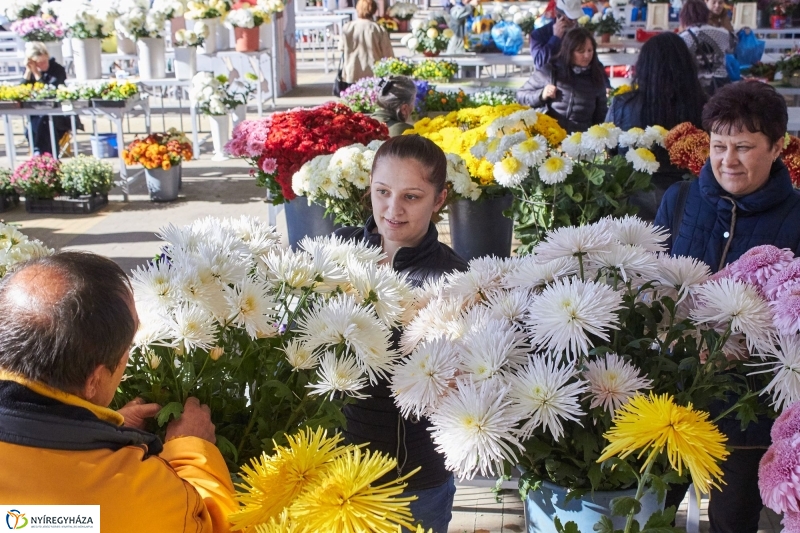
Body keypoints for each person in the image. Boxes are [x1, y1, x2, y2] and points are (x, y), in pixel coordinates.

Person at [0, 252, 236, 532]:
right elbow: (209, 523)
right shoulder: (137, 495)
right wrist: (193, 449)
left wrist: (97, 426)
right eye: (127, 349)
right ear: (94, 380)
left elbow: (25, 521)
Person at [655, 81, 800, 533]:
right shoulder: (679, 202)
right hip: (667, 401)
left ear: (778, 147)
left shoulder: (796, 219)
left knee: (731, 522)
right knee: (646, 513)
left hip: (746, 413)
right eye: (719, 145)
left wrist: (743, 342)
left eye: (743, 147)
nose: (727, 160)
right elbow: (648, 287)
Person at [335, 135, 468, 532]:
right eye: (382, 192)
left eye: (411, 196)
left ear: (439, 199)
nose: (392, 209)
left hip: (413, 481)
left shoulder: (453, 279)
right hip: (339, 469)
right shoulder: (338, 256)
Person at [606, 32, 707, 221]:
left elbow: (609, 151)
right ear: (686, 66)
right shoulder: (702, 106)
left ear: (643, 67)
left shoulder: (622, 105)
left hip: (633, 204)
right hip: (688, 205)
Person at [517, 27, 608, 133]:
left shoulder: (596, 75)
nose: (587, 55)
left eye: (590, 50)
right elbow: (521, 96)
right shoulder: (550, 70)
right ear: (569, 51)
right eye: (580, 51)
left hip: (581, 141)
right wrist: (541, 95)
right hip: (551, 138)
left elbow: (601, 115)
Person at [22, 42, 71, 156]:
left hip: (58, 114)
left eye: (44, 61)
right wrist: (29, 72)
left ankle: (43, 154)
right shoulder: (32, 70)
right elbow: (21, 89)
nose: (42, 65)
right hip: (35, 114)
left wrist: (37, 74)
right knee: (32, 126)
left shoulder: (57, 70)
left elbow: (49, 92)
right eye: (38, 63)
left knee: (45, 123)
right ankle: (40, 155)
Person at [679, 0, 735, 96]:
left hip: (695, 84)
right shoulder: (723, 33)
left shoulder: (682, 37)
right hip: (720, 83)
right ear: (706, 13)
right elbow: (732, 49)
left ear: (685, 16)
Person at [339, 0, 394, 86]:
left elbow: (341, 48)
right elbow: (388, 53)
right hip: (374, 73)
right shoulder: (378, 29)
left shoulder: (348, 27)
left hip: (352, 71)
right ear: (374, 10)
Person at [529, 0, 586, 69]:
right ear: (557, 13)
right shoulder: (539, 34)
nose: (574, 21)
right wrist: (556, 38)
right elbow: (540, 63)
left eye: (576, 18)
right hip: (551, 78)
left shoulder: (581, 33)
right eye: (570, 18)